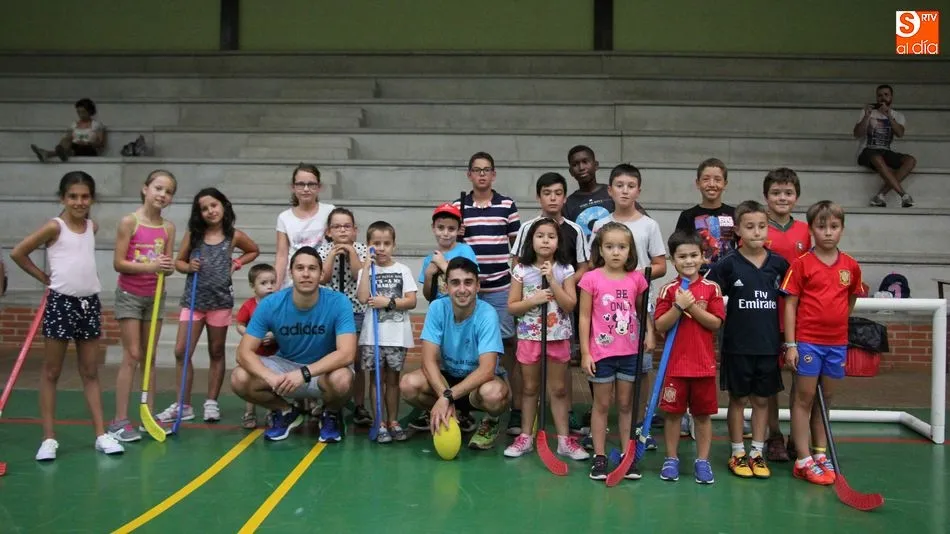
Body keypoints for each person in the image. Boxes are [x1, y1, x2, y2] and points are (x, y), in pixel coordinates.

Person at [10, 171, 124, 460]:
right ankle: (48, 438)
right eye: (73, 196)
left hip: (89, 304)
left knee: (90, 371)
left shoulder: (91, 227)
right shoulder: (54, 227)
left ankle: (101, 434)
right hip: (61, 303)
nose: (79, 201)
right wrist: (44, 278)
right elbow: (18, 253)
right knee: (52, 371)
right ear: (63, 198)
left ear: (92, 199)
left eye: (85, 196)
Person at [231, 247, 357, 442]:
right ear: (291, 273)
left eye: (312, 268)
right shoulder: (271, 304)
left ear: (321, 274)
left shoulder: (339, 302)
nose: (306, 274)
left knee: (342, 379)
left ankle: (330, 413)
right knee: (239, 377)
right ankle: (286, 411)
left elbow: (347, 353)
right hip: (285, 368)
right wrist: (269, 377)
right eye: (300, 268)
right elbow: (243, 352)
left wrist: (304, 373)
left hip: (323, 371)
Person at [156, 188, 260, 425]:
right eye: (204, 208)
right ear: (199, 213)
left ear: (223, 205)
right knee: (182, 351)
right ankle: (183, 403)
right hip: (193, 301)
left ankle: (211, 401)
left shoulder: (233, 235)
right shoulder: (194, 234)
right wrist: (188, 266)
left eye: (214, 205)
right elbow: (179, 262)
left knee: (216, 351)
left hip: (220, 302)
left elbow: (253, 250)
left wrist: (237, 262)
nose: (210, 211)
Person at [781, 201, 863, 485]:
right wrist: (791, 344)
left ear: (842, 229)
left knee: (825, 400)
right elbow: (790, 304)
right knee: (803, 398)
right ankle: (802, 459)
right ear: (811, 230)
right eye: (821, 226)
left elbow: (851, 298)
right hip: (808, 343)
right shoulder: (801, 264)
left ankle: (819, 453)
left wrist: (837, 321)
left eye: (834, 227)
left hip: (836, 344)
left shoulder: (850, 265)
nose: (828, 232)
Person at [707, 201, 789, 480]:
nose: (757, 232)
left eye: (762, 226)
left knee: (763, 401)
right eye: (750, 227)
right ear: (738, 230)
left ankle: (757, 451)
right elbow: (708, 292)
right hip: (737, 345)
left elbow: (793, 300)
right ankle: (737, 452)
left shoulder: (778, 264)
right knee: (738, 399)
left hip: (767, 346)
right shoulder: (727, 265)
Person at [588, 164, 667, 447]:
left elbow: (660, 264)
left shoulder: (648, 224)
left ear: (638, 190)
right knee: (606, 371)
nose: (624, 190)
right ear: (610, 190)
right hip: (607, 307)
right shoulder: (600, 225)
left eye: (630, 185)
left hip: (637, 303)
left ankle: (638, 424)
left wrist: (634, 276)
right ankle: (601, 435)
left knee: (641, 368)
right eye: (619, 185)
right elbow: (593, 264)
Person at [400, 257, 510, 451]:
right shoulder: (437, 308)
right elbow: (428, 361)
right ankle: (452, 414)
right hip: (448, 377)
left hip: (478, 383)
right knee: (409, 385)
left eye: (468, 282)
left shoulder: (487, 314)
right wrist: (445, 395)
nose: (462, 289)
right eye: (455, 282)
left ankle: (491, 421)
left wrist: (447, 397)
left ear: (477, 286)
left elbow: (486, 370)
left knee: (494, 394)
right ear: (446, 287)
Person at [511, 172, 588, 433]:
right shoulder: (526, 230)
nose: (552, 198)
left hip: (560, 318)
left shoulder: (574, 232)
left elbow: (582, 268)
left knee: (559, 383)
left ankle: (564, 429)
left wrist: (559, 282)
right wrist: (532, 295)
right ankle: (524, 431)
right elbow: (518, 268)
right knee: (530, 384)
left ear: (565, 197)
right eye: (547, 193)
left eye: (557, 193)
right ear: (538, 196)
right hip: (531, 327)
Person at [504, 218, 587, 460]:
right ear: (531, 240)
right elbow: (512, 307)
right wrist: (533, 300)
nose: (545, 240)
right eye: (540, 235)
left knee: (558, 389)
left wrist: (552, 280)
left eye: (551, 236)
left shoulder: (565, 269)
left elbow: (570, 304)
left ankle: (563, 441)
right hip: (530, 336)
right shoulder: (521, 270)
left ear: (558, 241)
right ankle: (526, 437)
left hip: (557, 336)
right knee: (530, 388)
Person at [453, 152, 521, 438]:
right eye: (476, 170)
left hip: (500, 288)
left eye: (487, 170)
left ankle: (515, 406)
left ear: (493, 174)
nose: (482, 175)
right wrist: (458, 233)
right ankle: (465, 403)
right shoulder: (459, 206)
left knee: (508, 346)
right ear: (469, 174)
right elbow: (451, 246)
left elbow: (517, 248)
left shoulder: (507, 205)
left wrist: (517, 279)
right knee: (468, 345)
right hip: (469, 290)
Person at [579, 222, 653, 481]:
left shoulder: (637, 279)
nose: (615, 252)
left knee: (625, 405)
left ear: (630, 250)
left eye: (621, 247)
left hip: (630, 352)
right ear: (600, 249)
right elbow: (585, 317)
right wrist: (586, 352)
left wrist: (651, 333)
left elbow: (643, 311)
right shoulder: (591, 278)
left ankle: (627, 455)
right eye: (609, 246)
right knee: (601, 405)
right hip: (601, 354)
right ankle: (599, 457)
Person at [108, 170, 177, 442]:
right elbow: (119, 263)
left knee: (150, 357)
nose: (162, 194)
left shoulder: (168, 228)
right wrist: (151, 265)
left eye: (168, 191)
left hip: (155, 296)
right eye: (158, 188)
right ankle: (119, 419)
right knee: (133, 354)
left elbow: (166, 266)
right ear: (145, 188)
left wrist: (167, 267)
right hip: (130, 295)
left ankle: (148, 415)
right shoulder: (130, 222)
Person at [654, 230, 724, 484]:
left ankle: (702, 461)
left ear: (703, 257)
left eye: (694, 255)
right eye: (682, 256)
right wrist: (678, 306)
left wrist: (691, 306)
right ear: (673, 260)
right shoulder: (667, 291)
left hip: (703, 366)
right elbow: (661, 325)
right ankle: (671, 458)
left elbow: (715, 323)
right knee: (673, 415)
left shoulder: (711, 288)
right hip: (674, 367)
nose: (688, 261)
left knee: (702, 416)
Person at [762, 168, 812, 462]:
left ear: (797, 197)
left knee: (799, 377)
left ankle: (798, 434)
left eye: (788, 192)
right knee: (769, 379)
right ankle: (773, 435)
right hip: (766, 314)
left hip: (800, 316)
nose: (782, 198)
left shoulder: (806, 230)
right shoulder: (758, 227)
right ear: (766, 196)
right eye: (776, 192)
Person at [356, 221, 417, 443]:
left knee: (393, 380)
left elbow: (411, 301)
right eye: (376, 243)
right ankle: (379, 421)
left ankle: (393, 420)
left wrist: (387, 301)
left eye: (386, 243)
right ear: (368, 245)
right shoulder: (367, 271)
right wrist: (365, 268)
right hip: (373, 337)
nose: (381, 248)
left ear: (394, 245)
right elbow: (363, 298)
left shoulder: (402, 270)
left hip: (396, 336)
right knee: (375, 380)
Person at [316, 208, 370, 426]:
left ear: (355, 230)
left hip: (355, 310)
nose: (342, 231)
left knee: (356, 360)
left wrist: (351, 254)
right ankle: (330, 403)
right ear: (329, 231)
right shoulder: (322, 250)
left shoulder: (362, 250)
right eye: (337, 227)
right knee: (329, 359)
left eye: (347, 226)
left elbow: (360, 275)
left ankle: (359, 405)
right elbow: (323, 277)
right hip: (328, 313)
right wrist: (332, 255)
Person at [854, 84, 916, 208]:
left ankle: (880, 195)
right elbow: (857, 134)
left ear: (891, 97)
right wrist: (866, 116)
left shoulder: (898, 116)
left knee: (910, 160)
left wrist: (888, 116)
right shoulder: (867, 112)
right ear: (876, 98)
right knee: (877, 157)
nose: (883, 98)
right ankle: (903, 195)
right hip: (867, 151)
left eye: (886, 95)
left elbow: (900, 133)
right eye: (880, 95)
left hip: (885, 151)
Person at [275, 164, 336, 289]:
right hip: (295, 280)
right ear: (293, 187)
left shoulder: (330, 211)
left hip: (324, 278)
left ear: (319, 187)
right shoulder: (284, 217)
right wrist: (276, 287)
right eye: (301, 184)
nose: (306, 189)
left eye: (311, 184)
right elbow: (282, 255)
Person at [563, 145, 645, 238]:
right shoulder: (568, 204)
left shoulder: (613, 192)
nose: (581, 167)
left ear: (596, 165)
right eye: (575, 164)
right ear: (571, 171)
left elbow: (643, 221)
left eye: (585, 162)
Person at [235, 263, 279, 429]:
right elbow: (239, 324)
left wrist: (274, 336)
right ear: (253, 286)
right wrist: (252, 336)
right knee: (250, 382)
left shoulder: (278, 304)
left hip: (273, 353)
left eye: (272, 282)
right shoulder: (249, 305)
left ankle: (272, 411)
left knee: (270, 383)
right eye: (264, 283)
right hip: (254, 353)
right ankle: (249, 412)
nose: (269, 287)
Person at [674, 157, 736, 272]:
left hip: (729, 277)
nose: (712, 184)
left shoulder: (734, 214)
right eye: (706, 179)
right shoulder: (687, 216)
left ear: (725, 183)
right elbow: (678, 249)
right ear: (698, 183)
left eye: (717, 179)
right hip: (697, 276)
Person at [419, 203, 478, 303]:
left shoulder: (465, 250)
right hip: (440, 310)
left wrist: (443, 265)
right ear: (433, 228)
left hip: (465, 308)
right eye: (440, 228)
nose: (445, 233)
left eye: (451, 229)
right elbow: (428, 296)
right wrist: (428, 275)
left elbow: (469, 281)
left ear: (459, 230)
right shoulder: (429, 259)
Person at [30, 98, 106, 163]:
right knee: (67, 139)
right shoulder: (73, 125)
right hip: (74, 147)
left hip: (89, 149)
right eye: (78, 112)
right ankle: (62, 152)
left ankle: (48, 153)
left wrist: (87, 143)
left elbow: (101, 144)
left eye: (83, 112)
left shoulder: (97, 125)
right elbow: (66, 139)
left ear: (90, 112)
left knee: (79, 147)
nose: (81, 115)